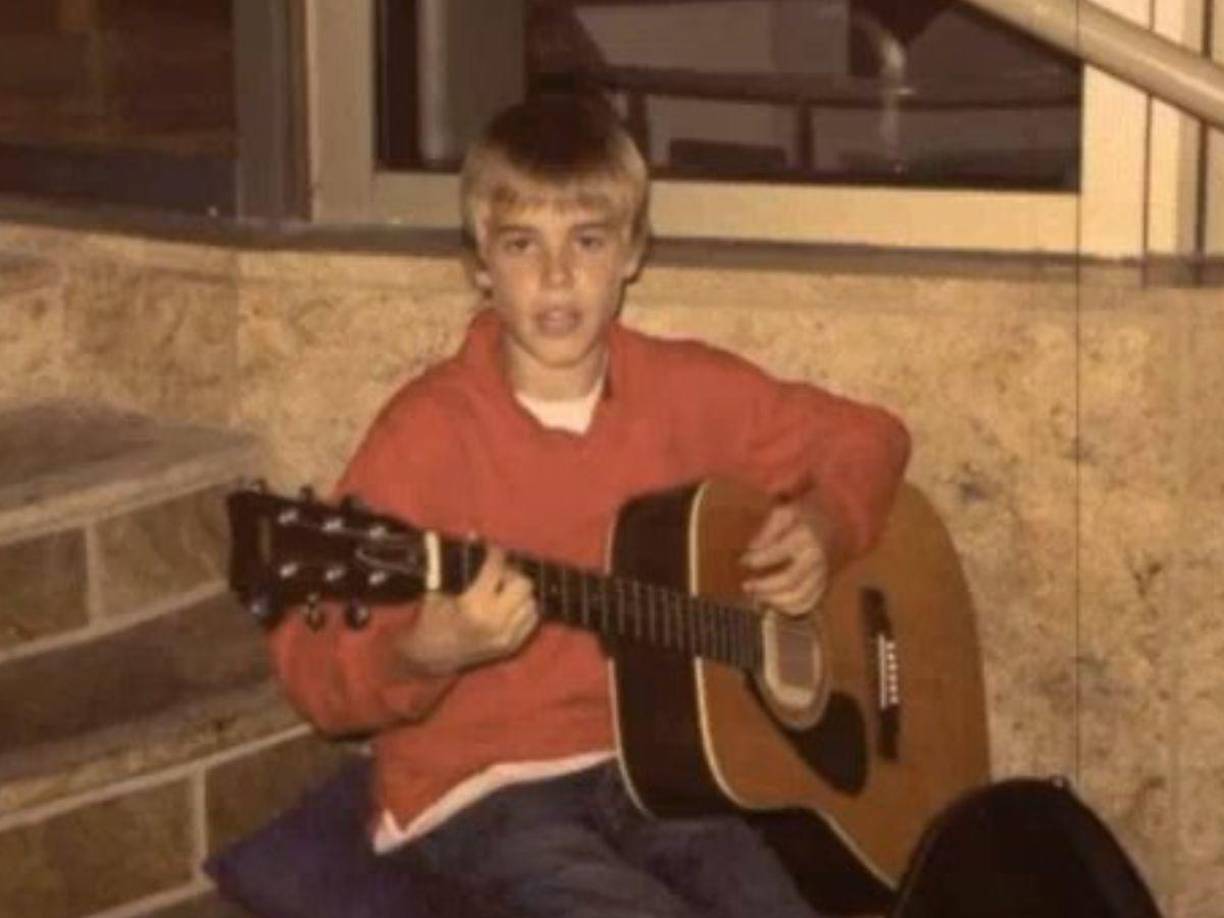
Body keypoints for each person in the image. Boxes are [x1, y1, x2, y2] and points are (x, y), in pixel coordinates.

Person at [268, 93, 910, 918]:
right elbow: (314, 669)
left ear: (633, 253)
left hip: (656, 774)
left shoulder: (685, 391)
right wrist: (424, 654)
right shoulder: (425, 436)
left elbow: (870, 437)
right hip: (481, 790)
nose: (558, 277)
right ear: (478, 266)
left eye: (589, 241)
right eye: (522, 245)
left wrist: (829, 522)